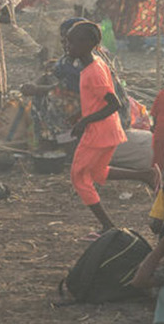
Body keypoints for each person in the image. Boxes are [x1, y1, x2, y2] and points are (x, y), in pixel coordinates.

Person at [66, 21, 157, 231]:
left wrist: (85, 121)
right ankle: (145, 175)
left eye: (72, 43)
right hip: (107, 130)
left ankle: (107, 225)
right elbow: (98, 101)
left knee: (79, 177)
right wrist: (81, 116)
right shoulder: (96, 63)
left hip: (98, 132)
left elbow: (114, 103)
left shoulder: (93, 71)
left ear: (88, 44)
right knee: (97, 172)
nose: (68, 47)